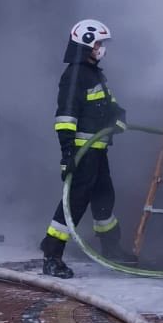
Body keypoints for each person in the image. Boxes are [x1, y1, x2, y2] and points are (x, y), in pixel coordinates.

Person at [40, 19, 137, 277]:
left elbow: (112, 105)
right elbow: (65, 117)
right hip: (82, 153)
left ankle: (111, 248)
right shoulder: (74, 75)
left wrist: (119, 118)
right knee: (74, 203)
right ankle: (51, 255)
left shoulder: (96, 74)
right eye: (98, 44)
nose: (101, 48)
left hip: (98, 151)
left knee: (105, 197)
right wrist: (68, 154)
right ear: (85, 43)